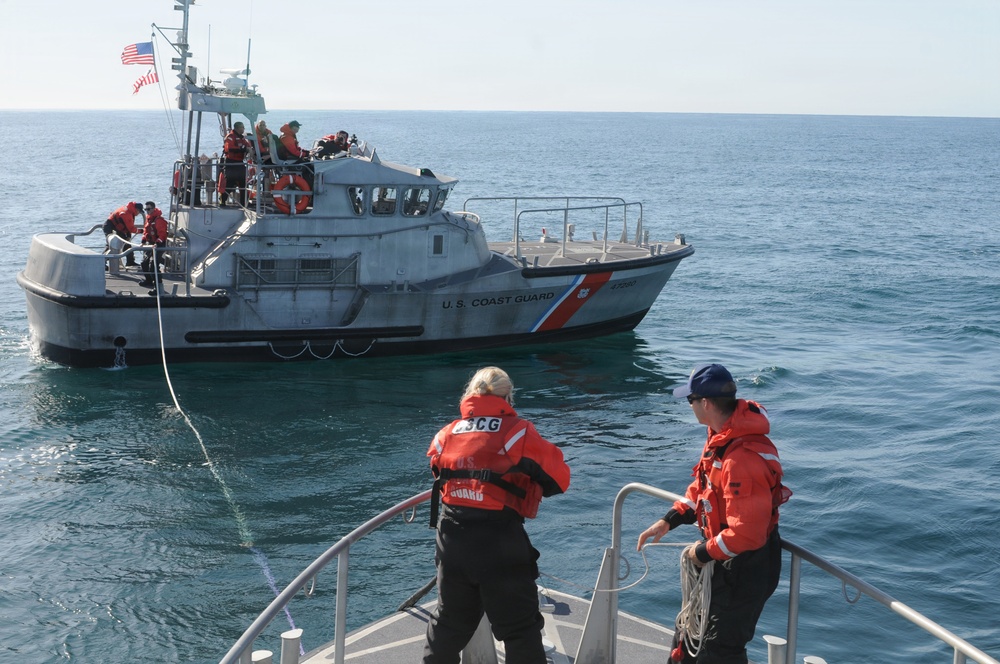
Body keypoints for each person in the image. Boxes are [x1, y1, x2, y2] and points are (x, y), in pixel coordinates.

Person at [637, 364, 789, 664]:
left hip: (746, 568)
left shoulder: (741, 460)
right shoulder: (721, 436)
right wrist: (670, 519)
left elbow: (747, 533)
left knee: (719, 651)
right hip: (724, 558)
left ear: (705, 403)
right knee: (689, 636)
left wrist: (702, 552)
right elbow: (704, 488)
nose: (689, 406)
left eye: (690, 400)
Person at [423, 367, 571, 664]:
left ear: (470, 395)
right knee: (520, 630)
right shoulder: (518, 432)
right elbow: (559, 480)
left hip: (451, 541)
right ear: (507, 397)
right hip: (499, 543)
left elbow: (440, 473)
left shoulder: (445, 434)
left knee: (448, 624)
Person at [220, 121, 252, 207]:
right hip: (231, 162)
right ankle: (222, 200)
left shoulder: (242, 138)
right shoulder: (230, 137)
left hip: (239, 162)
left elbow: (247, 145)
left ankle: (244, 202)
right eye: (242, 127)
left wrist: (248, 148)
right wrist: (243, 149)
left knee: (243, 183)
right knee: (230, 183)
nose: (243, 129)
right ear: (237, 128)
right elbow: (230, 148)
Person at [103, 201, 144, 267]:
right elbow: (131, 229)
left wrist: (128, 236)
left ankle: (130, 261)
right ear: (137, 210)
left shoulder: (130, 211)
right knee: (112, 244)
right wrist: (141, 231)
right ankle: (102, 261)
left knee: (127, 243)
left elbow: (127, 227)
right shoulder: (127, 214)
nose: (139, 214)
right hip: (109, 226)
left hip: (118, 228)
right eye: (139, 212)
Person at [138, 201, 168, 289]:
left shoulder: (159, 220)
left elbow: (162, 235)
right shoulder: (149, 219)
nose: (147, 211)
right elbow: (146, 231)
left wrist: (157, 243)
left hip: (159, 245)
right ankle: (149, 281)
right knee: (144, 263)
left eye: (148, 209)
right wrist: (143, 240)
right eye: (145, 209)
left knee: (153, 266)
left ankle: (158, 287)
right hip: (150, 244)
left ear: (153, 209)